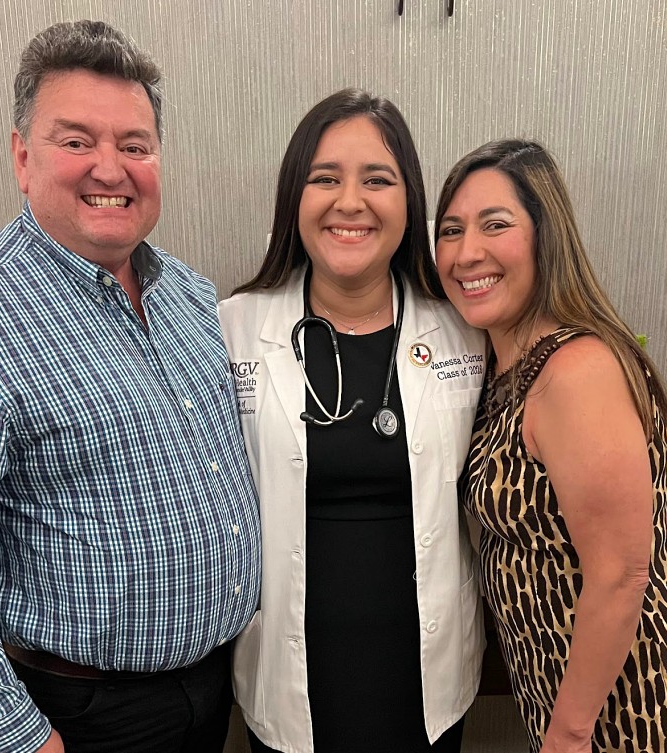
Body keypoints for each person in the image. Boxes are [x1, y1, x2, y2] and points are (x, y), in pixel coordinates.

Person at [0, 20, 261, 753]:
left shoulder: (190, 298)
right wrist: (22, 737)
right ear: (22, 156)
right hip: (66, 717)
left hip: (209, 694)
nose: (110, 168)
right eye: (76, 141)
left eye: (134, 146)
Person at [218, 88, 486, 753]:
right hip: (289, 672)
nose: (350, 201)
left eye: (377, 180)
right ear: (294, 198)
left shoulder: (467, 333)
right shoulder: (232, 331)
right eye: (325, 178)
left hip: (426, 671)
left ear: (409, 201)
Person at [433, 139, 667, 753]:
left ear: (545, 237)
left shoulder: (575, 368)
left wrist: (569, 732)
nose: (466, 251)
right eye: (450, 229)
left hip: (625, 690)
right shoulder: (506, 365)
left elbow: (621, 572)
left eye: (495, 225)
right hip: (563, 683)